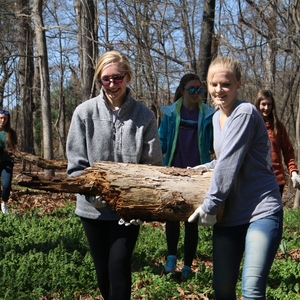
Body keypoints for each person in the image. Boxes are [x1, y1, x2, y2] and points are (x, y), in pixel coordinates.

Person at [66, 50, 163, 300]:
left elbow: (152, 165)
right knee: (103, 273)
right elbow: (76, 166)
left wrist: (138, 201)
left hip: (127, 211)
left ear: (128, 77)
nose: (111, 84)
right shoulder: (84, 113)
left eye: (117, 78)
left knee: (118, 265)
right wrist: (95, 194)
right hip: (92, 210)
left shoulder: (144, 116)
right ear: (99, 80)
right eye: (105, 79)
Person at [188, 56, 283, 299]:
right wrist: (202, 167)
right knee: (222, 290)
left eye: (226, 84)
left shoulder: (245, 112)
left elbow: (229, 162)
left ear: (238, 84)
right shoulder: (215, 118)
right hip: (229, 216)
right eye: (213, 84)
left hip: (261, 211)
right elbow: (224, 159)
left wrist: (210, 205)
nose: (219, 90)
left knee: (251, 290)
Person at [158, 73, 214, 280]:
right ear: (182, 90)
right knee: (172, 217)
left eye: (199, 89)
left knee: (192, 220)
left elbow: (215, 143)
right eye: (192, 89)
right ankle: (171, 259)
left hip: (197, 174)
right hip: (174, 171)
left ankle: (188, 266)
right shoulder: (171, 114)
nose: (196, 93)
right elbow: (161, 142)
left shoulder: (208, 115)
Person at [254, 89, 300, 195]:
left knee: (275, 211)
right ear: (257, 105)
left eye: (269, 104)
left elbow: (288, 152)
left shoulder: (278, 127)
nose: (266, 108)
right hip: (256, 179)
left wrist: (293, 172)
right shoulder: (251, 125)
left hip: (276, 180)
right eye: (263, 104)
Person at [0, 109, 17, 214]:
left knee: (6, 185)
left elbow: (13, 149)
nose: (3, 121)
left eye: (5, 118)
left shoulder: (11, 133)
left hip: (7, 163)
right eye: (1, 118)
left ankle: (4, 203)